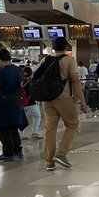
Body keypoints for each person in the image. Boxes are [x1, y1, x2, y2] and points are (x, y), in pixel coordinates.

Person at [38, 38, 89, 170]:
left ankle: (49, 161)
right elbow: (75, 81)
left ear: (53, 47)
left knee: (50, 129)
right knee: (72, 124)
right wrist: (83, 102)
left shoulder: (45, 60)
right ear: (66, 47)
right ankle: (61, 154)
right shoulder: (69, 60)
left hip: (47, 99)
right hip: (63, 97)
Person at [0, 49, 27, 162]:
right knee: (14, 127)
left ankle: (7, 153)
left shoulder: (0, 72)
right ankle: (18, 151)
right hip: (15, 102)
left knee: (4, 128)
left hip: (2, 104)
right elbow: (20, 84)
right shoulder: (18, 70)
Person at [19, 67, 42, 140]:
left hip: (21, 103)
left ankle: (20, 135)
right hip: (30, 103)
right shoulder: (30, 82)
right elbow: (31, 92)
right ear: (31, 73)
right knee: (37, 116)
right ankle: (34, 132)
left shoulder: (20, 81)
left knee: (22, 118)